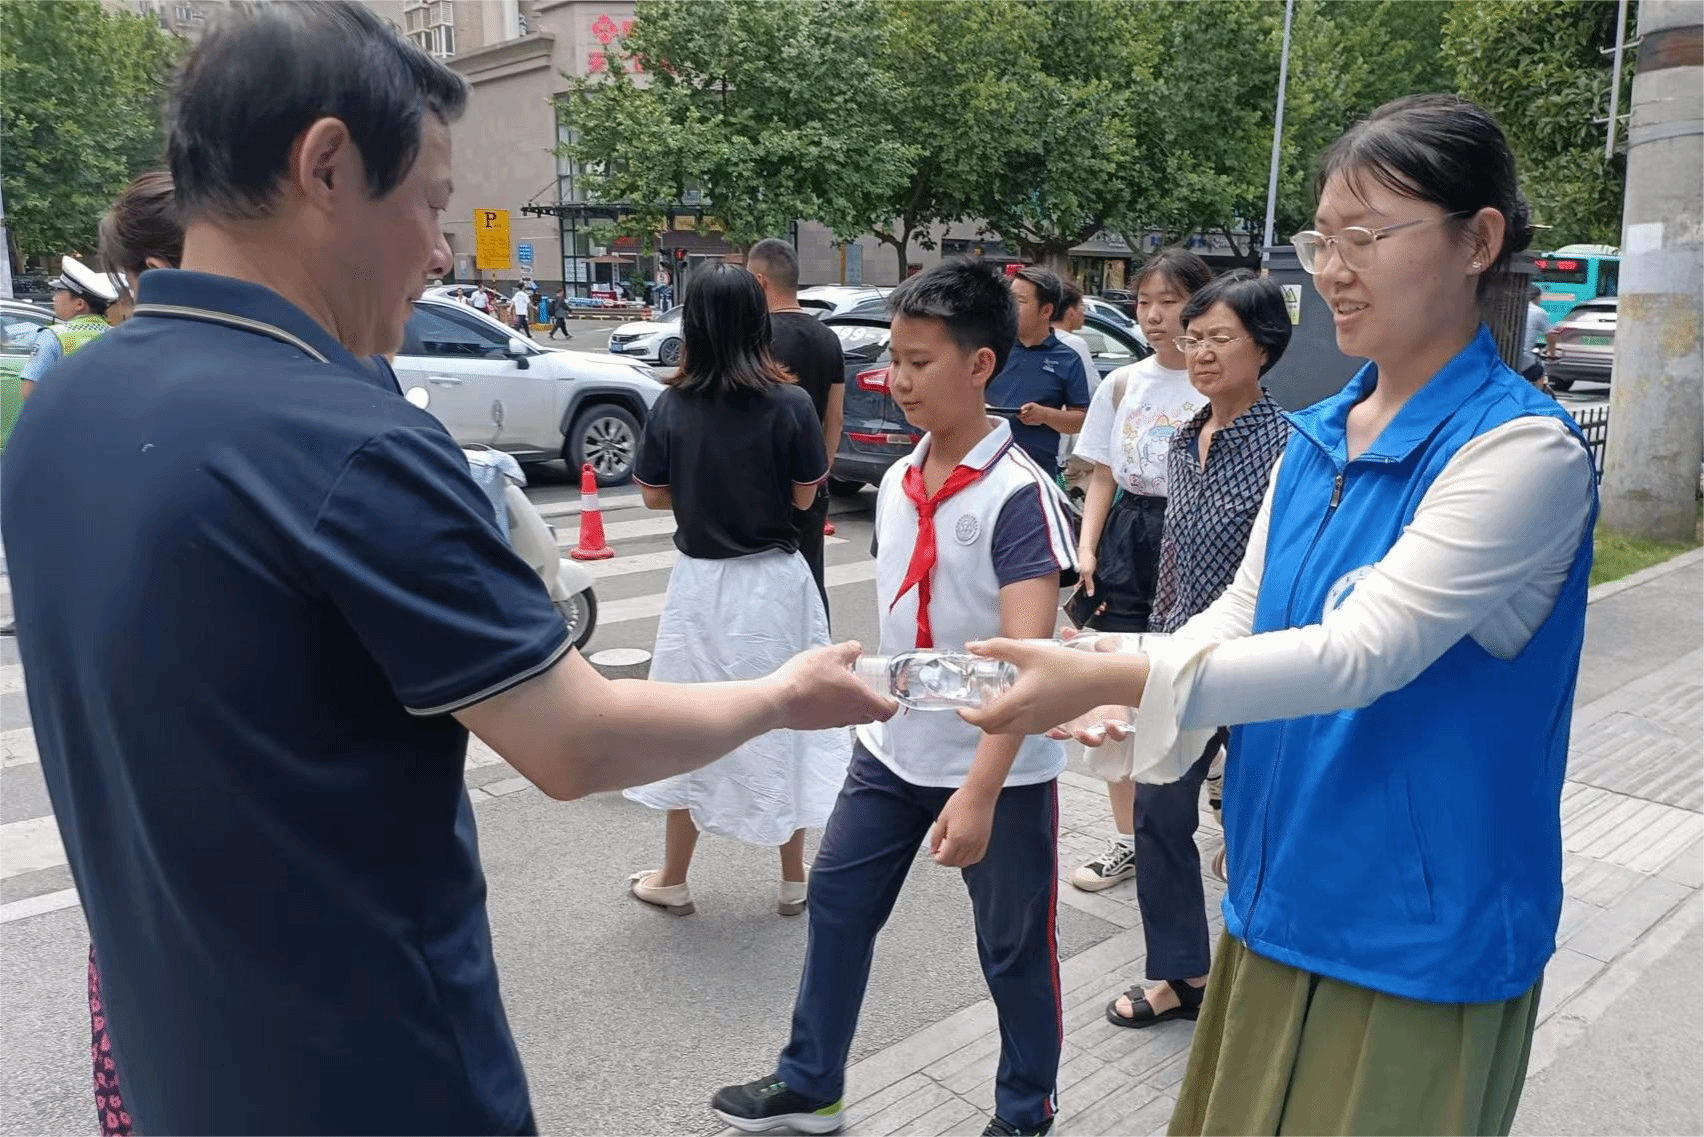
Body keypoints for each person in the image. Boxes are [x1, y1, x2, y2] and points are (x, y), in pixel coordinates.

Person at [0, 6, 893, 1133]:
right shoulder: (349, 441)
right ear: (327, 167)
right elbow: (575, 741)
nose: (439, 252)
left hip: (170, 1054)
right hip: (368, 1076)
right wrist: (784, 694)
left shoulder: (64, 405)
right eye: (429, 201)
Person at [963, 94, 1596, 1137]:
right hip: (1277, 897)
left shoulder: (1520, 451)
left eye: (1367, 237)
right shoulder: (1319, 435)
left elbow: (1360, 654)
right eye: (1321, 241)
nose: (1333, 270)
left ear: (1478, 240)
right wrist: (1118, 677)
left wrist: (1118, 674)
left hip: (1416, 941)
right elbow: (1243, 613)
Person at [712, 258, 1078, 1137]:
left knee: (1013, 947)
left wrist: (980, 790)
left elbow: (1026, 667)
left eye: (919, 362)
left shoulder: (1019, 495)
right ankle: (813, 1082)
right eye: (893, 360)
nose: (897, 380)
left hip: (998, 768)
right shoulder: (902, 478)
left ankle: (1024, 1111)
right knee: (838, 904)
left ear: (980, 365)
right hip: (892, 748)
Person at [1096, 269, 1292, 1033]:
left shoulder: (1292, 447)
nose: (1200, 352)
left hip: (1262, 665)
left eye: (1219, 338)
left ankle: (1271, 977)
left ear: (1264, 347)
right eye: (1193, 338)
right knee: (1156, 811)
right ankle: (1184, 973)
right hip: (1183, 657)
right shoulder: (1184, 437)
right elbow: (1175, 559)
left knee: (1263, 824)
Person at [623, 263, 850, 917]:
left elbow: (651, 495)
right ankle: (792, 878)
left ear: (692, 324)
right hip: (776, 584)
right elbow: (805, 494)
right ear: (759, 322)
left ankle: (673, 876)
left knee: (688, 724)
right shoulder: (791, 404)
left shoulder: (672, 404)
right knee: (785, 716)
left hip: (701, 588)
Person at [1065, 248, 1213, 892]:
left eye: (1168, 302)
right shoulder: (1122, 383)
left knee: (1200, 680)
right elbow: (1102, 473)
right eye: (1143, 302)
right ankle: (1128, 840)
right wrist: (1088, 548)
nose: (1152, 316)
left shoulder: (1218, 383)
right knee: (1119, 688)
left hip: (1199, 540)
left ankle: (1225, 816)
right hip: (1129, 536)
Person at [747, 236, 845, 616]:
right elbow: (834, 417)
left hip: (763, 486)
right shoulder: (828, 339)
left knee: (765, 591)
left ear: (760, 282)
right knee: (811, 579)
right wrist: (821, 473)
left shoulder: (754, 339)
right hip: (812, 483)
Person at [985, 265, 1090, 477]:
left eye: (1020, 301)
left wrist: (1045, 415)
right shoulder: (991, 349)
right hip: (986, 463)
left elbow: (1080, 420)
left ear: (1046, 311)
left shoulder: (1068, 359)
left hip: (1036, 471)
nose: (1011, 307)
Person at [1052, 279, 1101, 497]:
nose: (1084, 312)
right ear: (1070, 311)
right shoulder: (1073, 344)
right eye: (1081, 305)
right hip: (1063, 438)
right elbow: (1093, 390)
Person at [1522, 283, 1553, 388]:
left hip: (1501, 358)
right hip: (1524, 361)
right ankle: (1538, 394)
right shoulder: (1539, 312)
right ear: (1536, 297)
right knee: (1539, 371)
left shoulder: (1511, 308)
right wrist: (1551, 351)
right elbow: (1551, 336)